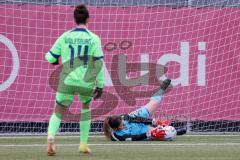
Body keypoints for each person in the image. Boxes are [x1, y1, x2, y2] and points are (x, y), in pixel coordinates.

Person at [45, 5, 104, 155]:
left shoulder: (65, 36)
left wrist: (54, 61)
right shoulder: (93, 38)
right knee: (85, 108)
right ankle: (83, 145)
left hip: (67, 80)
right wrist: (100, 84)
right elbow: (98, 63)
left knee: (58, 110)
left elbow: (50, 57)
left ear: (74, 19)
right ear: (88, 19)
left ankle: (51, 136)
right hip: (86, 80)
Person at [103, 79, 186, 141]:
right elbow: (134, 138)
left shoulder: (123, 118)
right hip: (138, 132)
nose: (124, 124)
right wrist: (149, 134)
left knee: (153, 103)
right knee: (162, 134)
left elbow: (136, 119)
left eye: (123, 122)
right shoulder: (118, 136)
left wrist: (152, 121)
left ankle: (161, 89)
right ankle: (172, 131)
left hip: (137, 118)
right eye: (122, 125)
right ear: (115, 128)